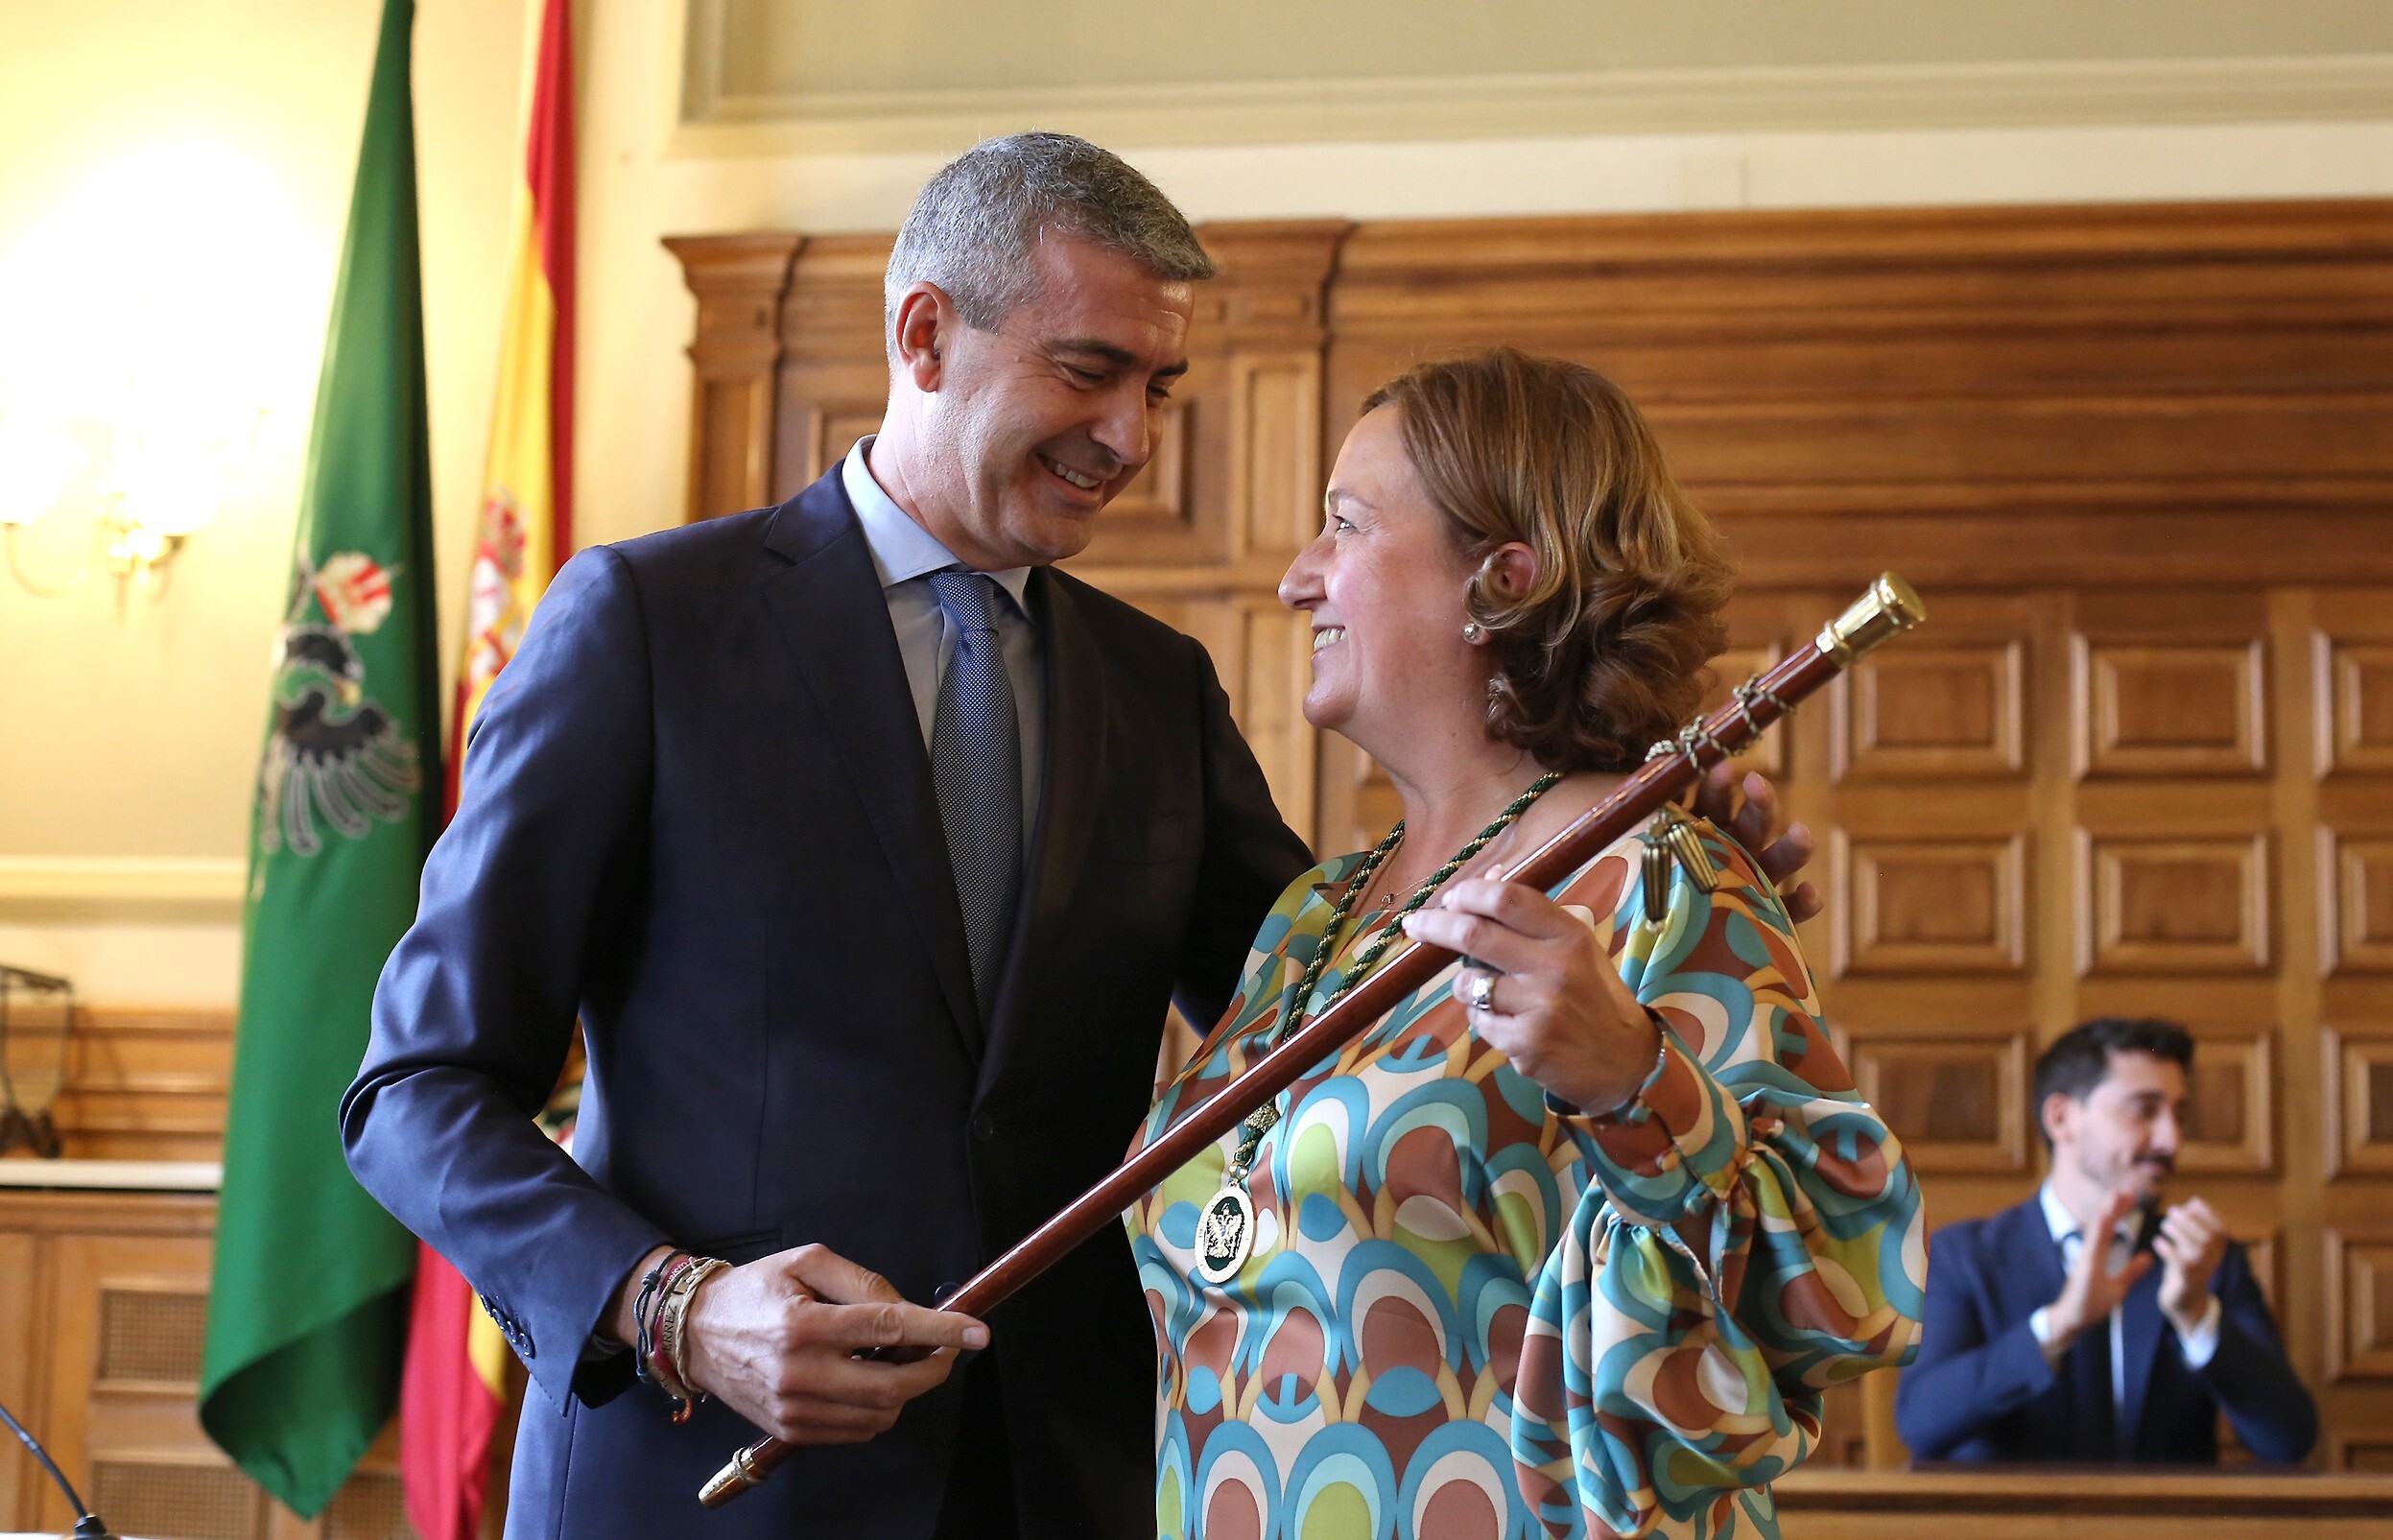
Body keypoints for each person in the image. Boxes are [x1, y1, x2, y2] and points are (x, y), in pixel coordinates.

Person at [344, 135, 1820, 1540]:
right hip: (704, 1484)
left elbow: (1355, 1000)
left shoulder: (1155, 689)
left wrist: (1615, 828)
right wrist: (671, 1304)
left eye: (1160, 386)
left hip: (1068, 1485)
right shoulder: (647, 629)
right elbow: (414, 1088)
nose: (1134, 439)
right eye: (1091, 371)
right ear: (924, 335)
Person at [1125, 348, 1922, 1540]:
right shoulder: (1307, 923)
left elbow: (1846, 1298)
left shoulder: (1658, 877)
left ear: (1501, 580)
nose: (1298, 578)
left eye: (1342, 526)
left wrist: (1636, 1083)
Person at [1896, 1017, 2315, 1464]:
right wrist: (2059, 1326)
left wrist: (2197, 1317)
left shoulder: (2206, 1261)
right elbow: (1922, 1423)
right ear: (2062, 1119)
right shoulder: (1964, 1257)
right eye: (2144, 1109)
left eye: (2179, 1114)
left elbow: (2288, 1441)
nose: (2171, 1139)